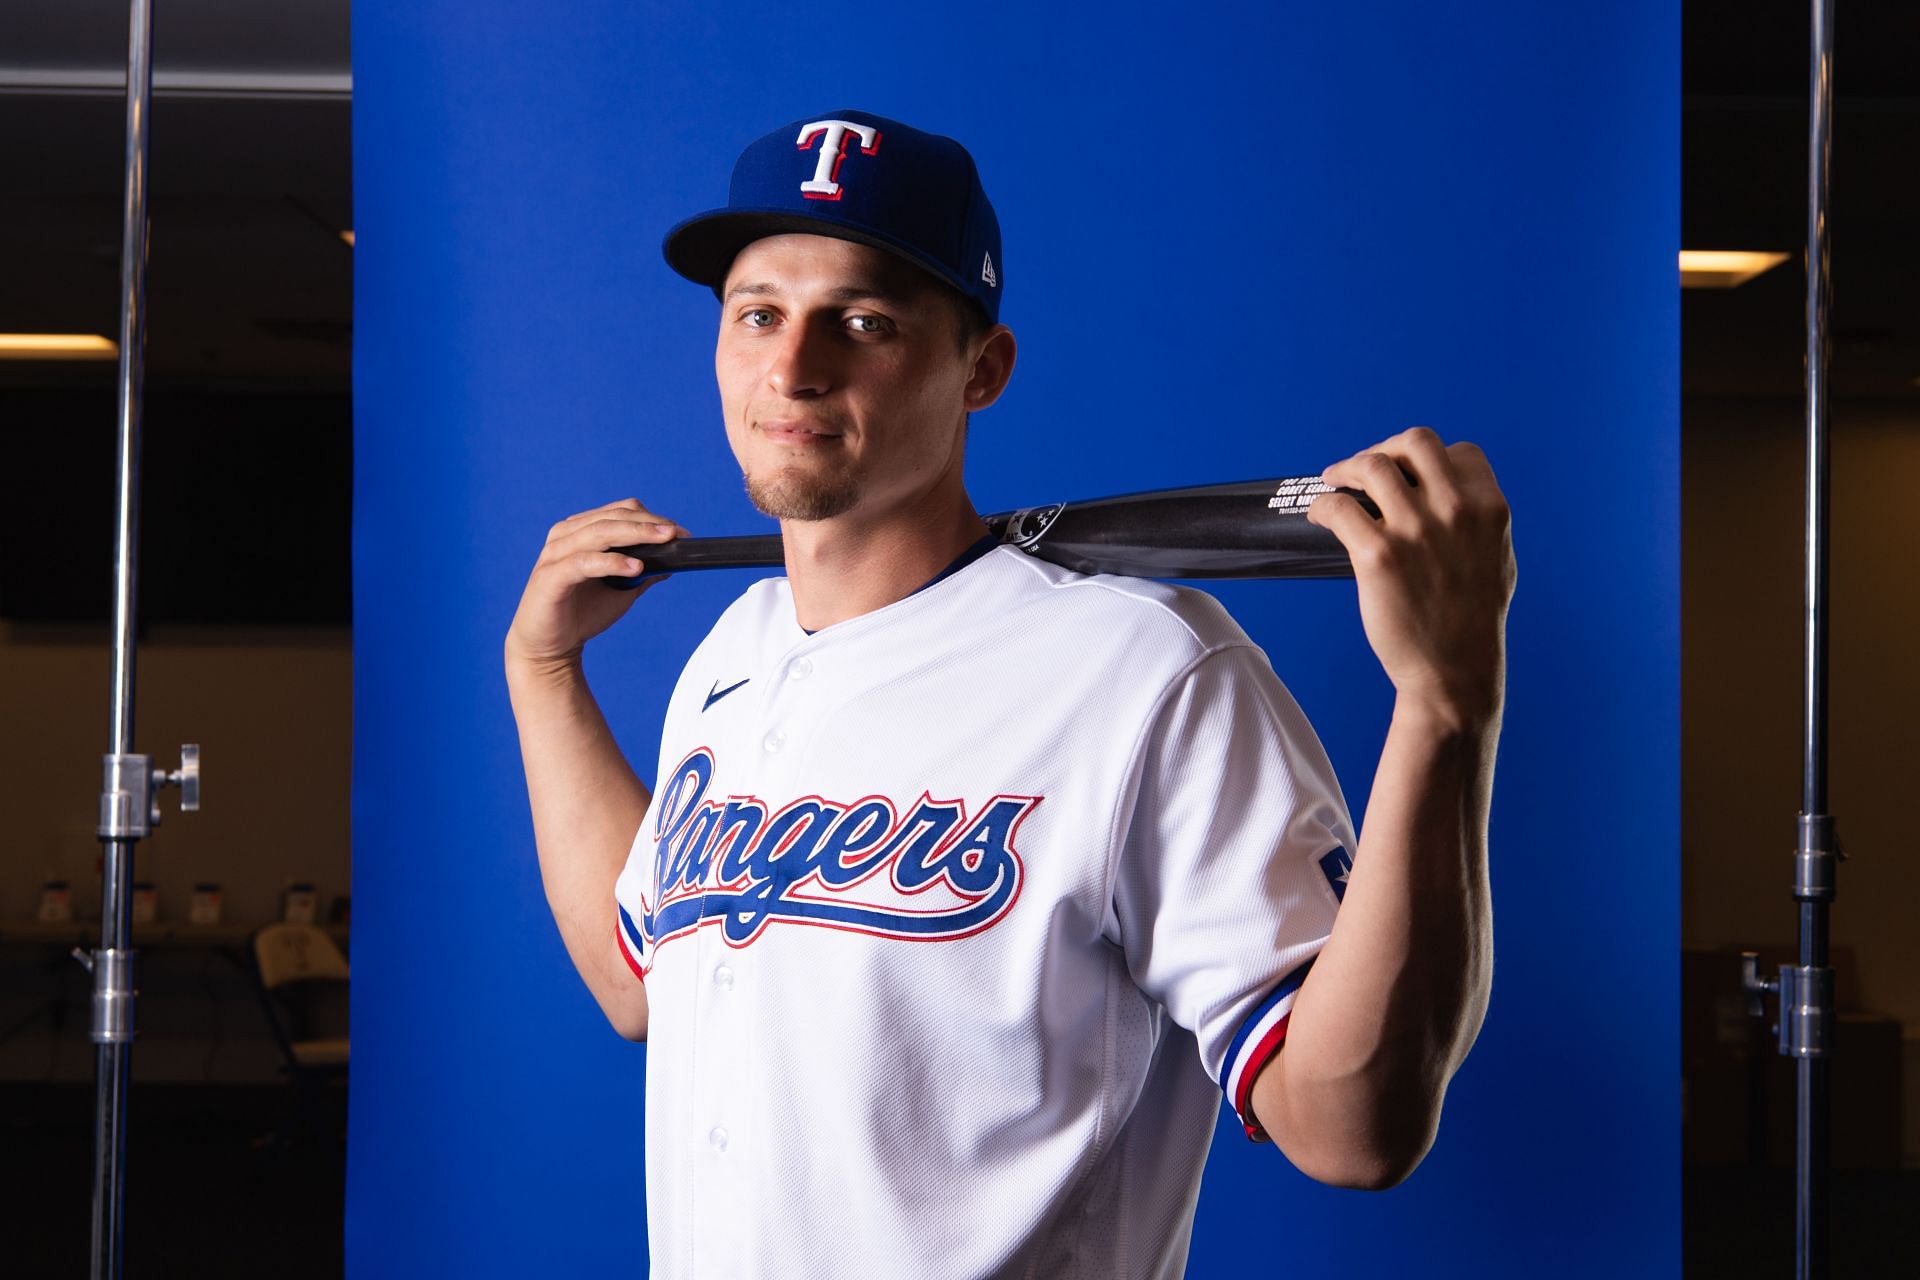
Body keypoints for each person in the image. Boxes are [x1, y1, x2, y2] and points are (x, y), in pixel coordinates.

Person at [506, 109, 1515, 1279]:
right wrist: (542, 674)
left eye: (864, 319)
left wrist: (1447, 705)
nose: (792, 366)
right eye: (759, 312)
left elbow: (1350, 1126)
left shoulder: (1143, 668)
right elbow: (645, 987)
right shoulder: (733, 651)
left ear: (980, 367)